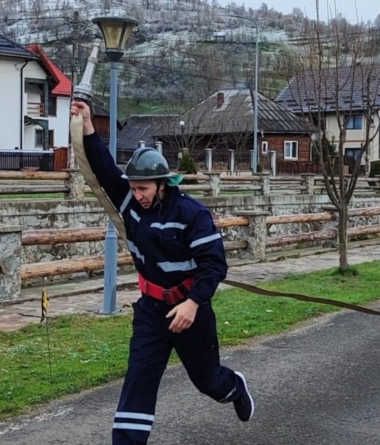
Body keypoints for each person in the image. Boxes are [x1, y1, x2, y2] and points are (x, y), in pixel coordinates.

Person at [70, 101, 254, 444]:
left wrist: (193, 303)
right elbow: (102, 167)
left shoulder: (192, 214)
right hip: (151, 311)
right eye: (134, 187)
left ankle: (236, 388)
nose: (136, 195)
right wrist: (88, 125)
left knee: (207, 381)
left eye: (143, 189)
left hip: (190, 312)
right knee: (138, 380)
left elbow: (215, 265)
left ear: (162, 184)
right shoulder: (128, 201)